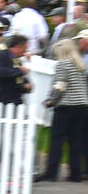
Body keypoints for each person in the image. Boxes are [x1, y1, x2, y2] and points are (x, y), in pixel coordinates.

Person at [37, 34, 88, 182]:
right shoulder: (80, 65)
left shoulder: (62, 64)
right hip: (82, 106)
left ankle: (51, 172)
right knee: (75, 140)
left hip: (66, 106)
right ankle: (75, 174)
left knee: (57, 139)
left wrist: (50, 101)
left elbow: (60, 86)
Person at [0, 30, 28, 104]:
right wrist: (19, 71)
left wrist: (25, 86)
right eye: (24, 49)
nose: (24, 52)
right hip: (1, 99)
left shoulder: (16, 60)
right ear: (18, 47)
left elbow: (18, 80)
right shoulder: (1, 55)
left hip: (14, 99)